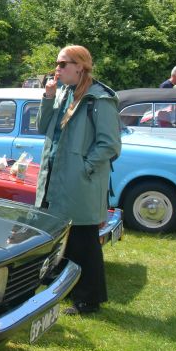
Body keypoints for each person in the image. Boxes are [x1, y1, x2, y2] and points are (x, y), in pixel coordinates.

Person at [36, 45, 121, 316]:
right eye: (57, 64)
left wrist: (85, 168)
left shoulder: (99, 98)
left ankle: (88, 299)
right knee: (62, 238)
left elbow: (109, 144)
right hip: (55, 177)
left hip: (79, 181)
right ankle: (63, 289)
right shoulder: (62, 92)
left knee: (83, 241)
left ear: (80, 66)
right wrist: (47, 97)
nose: (57, 69)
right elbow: (42, 128)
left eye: (62, 64)